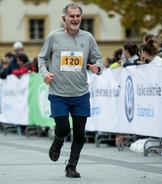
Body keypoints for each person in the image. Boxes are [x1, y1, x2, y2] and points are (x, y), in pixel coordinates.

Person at [38, 3, 103, 178]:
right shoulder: (54, 36)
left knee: (80, 133)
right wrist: (44, 74)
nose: (75, 19)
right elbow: (42, 58)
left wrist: (97, 67)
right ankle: (57, 141)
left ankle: (71, 166)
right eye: (71, 16)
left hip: (81, 93)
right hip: (58, 94)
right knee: (64, 128)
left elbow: (98, 58)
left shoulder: (88, 37)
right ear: (64, 18)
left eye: (77, 16)